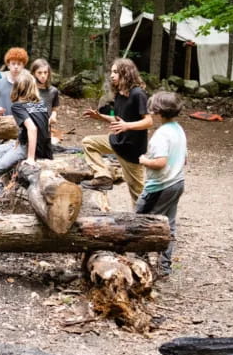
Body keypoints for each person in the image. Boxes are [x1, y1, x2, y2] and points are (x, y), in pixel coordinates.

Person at [80, 58, 152, 205]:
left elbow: (149, 121)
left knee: (138, 194)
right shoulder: (119, 94)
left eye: (115, 72)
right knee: (88, 142)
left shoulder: (138, 94)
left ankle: (148, 221)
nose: (112, 75)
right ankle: (103, 177)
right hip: (117, 142)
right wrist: (99, 117)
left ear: (126, 73)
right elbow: (118, 120)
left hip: (132, 150)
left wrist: (128, 126)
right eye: (111, 72)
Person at [0, 70, 52, 202]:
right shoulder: (41, 104)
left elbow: (33, 128)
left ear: (17, 88)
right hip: (39, 147)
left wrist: (30, 158)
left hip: (28, 149)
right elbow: (45, 127)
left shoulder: (18, 106)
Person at [136, 92, 187, 277]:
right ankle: (165, 267)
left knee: (140, 222)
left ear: (158, 111)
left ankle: (141, 263)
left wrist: (143, 160)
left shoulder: (161, 135)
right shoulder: (179, 129)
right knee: (169, 225)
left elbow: (160, 162)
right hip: (178, 182)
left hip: (159, 186)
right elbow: (185, 159)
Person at [0, 47, 28, 117]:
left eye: (19, 64)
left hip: (22, 123)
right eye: (13, 63)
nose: (16, 67)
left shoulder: (28, 85)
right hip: (3, 123)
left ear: (23, 66)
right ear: (8, 65)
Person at [30, 57, 60, 134]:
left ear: (48, 73)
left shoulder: (53, 91)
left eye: (45, 72)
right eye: (39, 73)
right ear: (33, 73)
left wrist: (53, 116)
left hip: (46, 130)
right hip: (29, 130)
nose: (43, 75)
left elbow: (55, 109)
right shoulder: (28, 90)